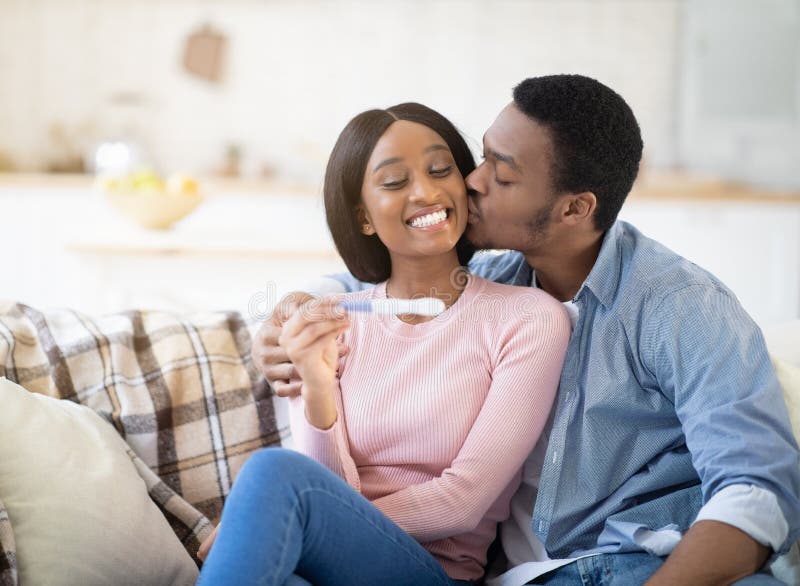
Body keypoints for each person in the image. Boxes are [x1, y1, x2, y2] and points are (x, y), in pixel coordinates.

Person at [255, 75, 800, 585]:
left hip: (631, 566)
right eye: (484, 154)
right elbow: (376, 277)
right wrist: (291, 312)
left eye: (502, 173)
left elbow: (756, 492)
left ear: (574, 208)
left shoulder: (680, 307)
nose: (472, 180)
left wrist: (317, 518)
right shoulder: (497, 277)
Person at [197, 102, 572, 585]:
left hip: (434, 573)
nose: (426, 191)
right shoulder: (331, 323)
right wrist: (316, 386)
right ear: (365, 217)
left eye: (441, 170)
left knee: (272, 474)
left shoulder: (527, 318)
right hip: (319, 562)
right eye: (395, 182)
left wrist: (286, 513)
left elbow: (463, 501)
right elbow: (331, 485)